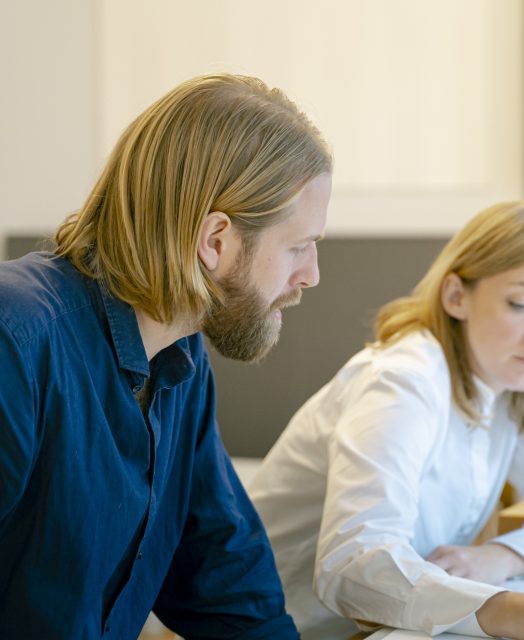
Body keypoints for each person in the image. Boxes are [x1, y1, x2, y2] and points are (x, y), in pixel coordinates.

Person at [0, 73, 332, 639]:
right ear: (214, 240)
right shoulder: (18, 339)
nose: (311, 276)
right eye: (298, 247)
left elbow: (223, 575)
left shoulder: (181, 360)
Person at [249, 199, 524, 640]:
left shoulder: (513, 381)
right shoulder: (402, 381)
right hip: (278, 631)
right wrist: (517, 612)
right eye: (519, 304)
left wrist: (504, 556)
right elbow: (353, 564)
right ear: (456, 297)